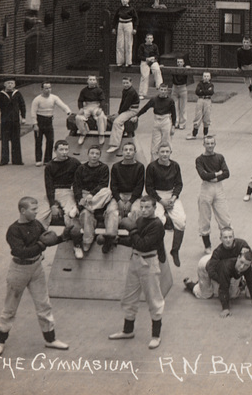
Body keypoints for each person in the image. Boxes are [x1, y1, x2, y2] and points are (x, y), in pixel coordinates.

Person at [0, 196, 68, 356]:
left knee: (44, 304)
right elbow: (21, 252)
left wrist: (64, 237)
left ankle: (50, 339)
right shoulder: (14, 230)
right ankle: (0, 341)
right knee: (10, 308)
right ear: (23, 210)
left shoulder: (37, 224)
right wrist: (41, 245)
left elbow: (48, 239)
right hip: (18, 269)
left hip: (36, 268)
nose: (36, 212)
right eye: (33, 210)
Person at [108, 196, 165, 349]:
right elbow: (134, 242)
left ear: (154, 208)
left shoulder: (157, 225)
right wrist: (116, 240)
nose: (144, 210)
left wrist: (132, 230)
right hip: (135, 259)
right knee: (129, 296)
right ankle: (127, 330)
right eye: (142, 207)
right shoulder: (140, 221)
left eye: (148, 207)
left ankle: (156, 335)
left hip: (149, 262)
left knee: (154, 299)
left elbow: (144, 244)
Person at [183, 229, 252, 315]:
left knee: (235, 293)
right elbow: (217, 279)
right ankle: (191, 284)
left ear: (234, 238)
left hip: (233, 266)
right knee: (205, 294)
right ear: (221, 238)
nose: (228, 240)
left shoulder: (242, 247)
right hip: (207, 266)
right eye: (225, 237)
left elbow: (250, 274)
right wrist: (225, 308)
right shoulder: (218, 253)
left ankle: (242, 284)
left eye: (230, 237)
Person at [146, 143, 186, 267]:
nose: (164, 154)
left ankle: (175, 250)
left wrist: (173, 198)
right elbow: (149, 187)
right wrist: (160, 200)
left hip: (171, 195)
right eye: (162, 152)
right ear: (158, 152)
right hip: (157, 196)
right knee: (158, 221)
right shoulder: (152, 167)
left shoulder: (175, 166)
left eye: (166, 152)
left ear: (170, 152)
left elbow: (179, 184)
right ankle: (160, 249)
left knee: (181, 220)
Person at [103, 141, 144, 253]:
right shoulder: (116, 167)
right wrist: (119, 200)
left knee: (136, 211)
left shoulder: (140, 167)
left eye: (131, 150)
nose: (128, 152)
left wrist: (130, 201)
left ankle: (134, 239)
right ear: (122, 152)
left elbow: (139, 187)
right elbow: (113, 186)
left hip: (134, 196)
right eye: (125, 150)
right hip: (119, 195)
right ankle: (111, 237)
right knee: (111, 211)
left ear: (135, 152)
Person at [73, 145, 113, 259]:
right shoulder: (81, 168)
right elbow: (77, 185)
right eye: (92, 153)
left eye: (97, 154)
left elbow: (103, 184)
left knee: (107, 192)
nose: (94, 156)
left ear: (100, 156)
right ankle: (87, 240)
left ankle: (82, 207)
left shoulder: (104, 168)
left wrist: (92, 195)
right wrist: (80, 198)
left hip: (97, 196)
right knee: (86, 214)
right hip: (85, 196)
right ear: (88, 154)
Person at [195, 136, 231, 254]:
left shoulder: (219, 157)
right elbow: (203, 176)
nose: (210, 146)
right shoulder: (199, 159)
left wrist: (215, 177)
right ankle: (207, 246)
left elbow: (226, 173)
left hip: (218, 188)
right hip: (206, 189)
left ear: (215, 144)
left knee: (224, 218)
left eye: (212, 143)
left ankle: (226, 244)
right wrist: (217, 173)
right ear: (203, 144)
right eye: (207, 143)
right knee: (204, 218)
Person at [37, 140, 81, 233]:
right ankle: (38, 239)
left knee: (70, 215)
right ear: (55, 151)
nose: (64, 152)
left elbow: (79, 180)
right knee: (40, 217)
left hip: (68, 191)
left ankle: (73, 238)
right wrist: (52, 204)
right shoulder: (49, 166)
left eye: (66, 150)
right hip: (53, 192)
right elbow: (49, 186)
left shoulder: (74, 162)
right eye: (61, 149)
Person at [31, 82, 73, 165]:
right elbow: (33, 112)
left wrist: (68, 112)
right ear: (42, 89)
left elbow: (62, 105)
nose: (48, 90)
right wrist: (35, 124)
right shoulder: (37, 99)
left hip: (49, 121)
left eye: (49, 88)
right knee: (38, 141)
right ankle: (38, 160)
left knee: (50, 140)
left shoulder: (54, 98)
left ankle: (47, 160)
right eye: (46, 88)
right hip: (39, 121)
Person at [136, 83, 176, 161]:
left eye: (165, 90)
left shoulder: (170, 101)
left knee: (167, 141)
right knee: (155, 143)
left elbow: (174, 114)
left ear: (167, 91)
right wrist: (137, 116)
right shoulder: (154, 99)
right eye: (161, 90)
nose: (163, 92)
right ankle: (154, 161)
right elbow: (145, 108)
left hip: (166, 121)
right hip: (157, 120)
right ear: (159, 90)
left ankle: (167, 160)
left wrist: (173, 126)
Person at [0, 78, 27, 166]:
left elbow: (22, 106)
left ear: (14, 84)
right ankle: (4, 160)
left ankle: (17, 160)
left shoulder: (18, 94)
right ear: (4, 84)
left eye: (12, 83)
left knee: (16, 140)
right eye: (8, 83)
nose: (10, 85)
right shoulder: (0, 95)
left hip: (15, 120)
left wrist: (23, 117)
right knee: (4, 140)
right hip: (5, 121)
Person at [107, 77, 142, 153]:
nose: (125, 85)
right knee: (111, 118)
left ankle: (115, 144)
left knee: (117, 122)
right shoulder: (125, 90)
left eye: (127, 83)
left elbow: (126, 104)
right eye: (124, 83)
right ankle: (121, 131)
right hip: (127, 109)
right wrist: (118, 112)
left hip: (132, 110)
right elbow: (122, 102)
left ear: (131, 83)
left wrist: (119, 114)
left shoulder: (131, 91)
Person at [74, 75, 107, 146]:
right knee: (78, 117)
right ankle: (83, 133)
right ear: (87, 81)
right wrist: (81, 109)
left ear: (96, 81)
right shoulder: (84, 90)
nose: (92, 81)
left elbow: (102, 100)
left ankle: (101, 134)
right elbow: (80, 101)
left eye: (94, 80)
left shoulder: (99, 90)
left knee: (101, 117)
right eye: (90, 79)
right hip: (87, 106)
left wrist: (101, 108)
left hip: (96, 106)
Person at [186, 71, 214, 140]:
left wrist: (202, 91)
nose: (206, 78)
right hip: (200, 100)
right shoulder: (200, 84)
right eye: (205, 76)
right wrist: (205, 91)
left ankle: (205, 134)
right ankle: (194, 134)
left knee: (207, 117)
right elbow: (197, 92)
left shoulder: (211, 85)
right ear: (202, 77)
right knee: (198, 116)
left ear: (210, 77)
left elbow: (211, 92)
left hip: (207, 100)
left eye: (207, 76)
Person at [112, 0, 138, 67]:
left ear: (128, 0)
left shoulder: (131, 9)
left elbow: (135, 19)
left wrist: (135, 28)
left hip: (128, 24)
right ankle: (120, 61)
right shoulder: (119, 9)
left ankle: (128, 61)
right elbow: (115, 18)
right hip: (120, 24)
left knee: (128, 43)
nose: (124, 1)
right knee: (120, 44)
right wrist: (114, 27)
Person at [137, 33, 161, 99]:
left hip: (153, 61)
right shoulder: (142, 46)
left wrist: (153, 58)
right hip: (145, 61)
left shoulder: (155, 46)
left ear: (153, 39)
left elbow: (157, 55)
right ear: (145, 39)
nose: (149, 40)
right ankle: (142, 93)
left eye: (151, 38)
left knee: (157, 70)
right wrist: (145, 59)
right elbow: (139, 56)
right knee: (144, 76)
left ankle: (159, 86)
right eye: (148, 38)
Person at [169, 57, 191, 130]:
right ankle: (175, 122)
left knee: (183, 107)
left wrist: (188, 68)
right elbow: (167, 70)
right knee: (175, 107)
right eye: (178, 62)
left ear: (183, 63)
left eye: (181, 62)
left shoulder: (185, 70)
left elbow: (190, 71)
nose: (179, 64)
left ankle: (182, 123)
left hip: (182, 88)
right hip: (175, 88)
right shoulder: (174, 70)